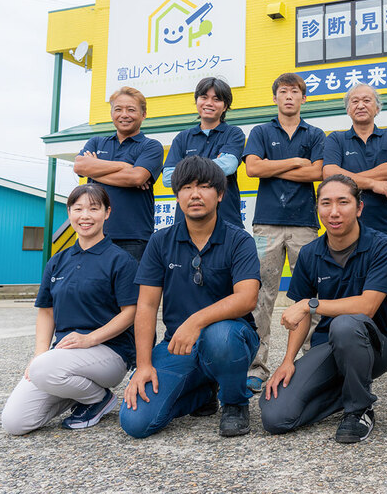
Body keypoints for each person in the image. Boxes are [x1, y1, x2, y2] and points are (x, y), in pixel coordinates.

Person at [119, 156, 261, 438]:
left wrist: (196, 321)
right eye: (186, 187)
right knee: (136, 422)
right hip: (178, 346)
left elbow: (247, 299)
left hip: (230, 339)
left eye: (205, 186)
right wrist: (144, 365)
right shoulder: (161, 241)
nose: (195, 194)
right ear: (177, 194)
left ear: (220, 194)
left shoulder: (239, 240)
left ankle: (234, 402)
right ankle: (203, 391)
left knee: (219, 335)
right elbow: (146, 306)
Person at [259, 175, 387, 444]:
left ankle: (359, 409)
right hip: (330, 346)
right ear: (318, 209)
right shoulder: (310, 253)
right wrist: (287, 361)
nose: (334, 212)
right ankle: (346, 392)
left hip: (376, 346)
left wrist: (310, 304)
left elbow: (367, 306)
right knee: (275, 416)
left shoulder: (383, 247)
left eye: (343, 202)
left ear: (359, 208)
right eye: (326, 203)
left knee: (346, 324)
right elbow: (301, 317)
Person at [2, 184, 138, 435]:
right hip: (62, 357)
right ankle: (79, 392)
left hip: (109, 353)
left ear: (107, 213)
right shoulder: (57, 261)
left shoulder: (120, 260)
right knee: (14, 423)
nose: (85, 216)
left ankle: (98, 398)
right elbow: (46, 311)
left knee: (45, 369)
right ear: (69, 212)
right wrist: (39, 354)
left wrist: (89, 339)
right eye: (78, 209)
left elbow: (130, 313)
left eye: (94, 209)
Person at [322, 82, 387, 396]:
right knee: (351, 303)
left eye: (367, 100)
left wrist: (352, 179)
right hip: (345, 237)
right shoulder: (335, 139)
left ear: (377, 107)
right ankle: (351, 366)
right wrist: (373, 182)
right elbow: (330, 173)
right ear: (347, 108)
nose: (360, 104)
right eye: (354, 100)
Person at [243, 73, 325, 394]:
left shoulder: (315, 133)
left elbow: (318, 172)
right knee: (260, 295)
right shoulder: (261, 131)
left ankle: (312, 361)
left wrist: (272, 165)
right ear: (275, 98)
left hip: (305, 224)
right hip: (266, 224)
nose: (289, 96)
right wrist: (293, 162)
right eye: (283, 92)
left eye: (295, 92)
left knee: (312, 295)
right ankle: (256, 366)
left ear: (303, 99)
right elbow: (253, 168)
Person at [73, 86, 164, 261]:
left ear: (143, 114)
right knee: (94, 288)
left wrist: (94, 168)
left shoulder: (151, 146)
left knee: (128, 289)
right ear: (112, 113)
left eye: (131, 110)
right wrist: (124, 166)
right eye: (118, 109)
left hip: (133, 237)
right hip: (94, 233)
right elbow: (79, 166)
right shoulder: (96, 143)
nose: (124, 115)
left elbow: (137, 177)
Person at [162, 77, 246, 228]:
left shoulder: (234, 134)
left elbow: (229, 165)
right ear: (197, 101)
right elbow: (168, 178)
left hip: (226, 221)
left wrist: (184, 170)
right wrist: (215, 165)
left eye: (216, 99)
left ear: (225, 106)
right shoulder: (182, 138)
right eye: (204, 97)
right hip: (186, 224)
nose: (209, 103)